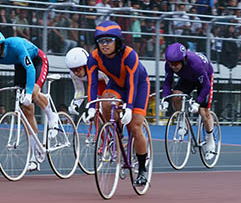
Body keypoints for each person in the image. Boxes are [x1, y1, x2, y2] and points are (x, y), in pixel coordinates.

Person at [0, 28, 56, 172]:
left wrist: (29, 92)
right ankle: (34, 155)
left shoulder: (15, 45)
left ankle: (52, 115)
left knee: (32, 93)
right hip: (20, 65)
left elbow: (31, 70)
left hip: (37, 62)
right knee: (26, 110)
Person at [83, 21, 150, 186]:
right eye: (100, 41)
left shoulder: (129, 54)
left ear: (117, 41)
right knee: (105, 101)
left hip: (138, 86)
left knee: (135, 126)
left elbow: (133, 83)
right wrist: (91, 107)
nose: (104, 45)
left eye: (108, 40)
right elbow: (91, 84)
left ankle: (142, 169)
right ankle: (116, 132)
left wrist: (129, 107)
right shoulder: (94, 57)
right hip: (117, 86)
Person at [162, 43, 216, 156]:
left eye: (176, 63)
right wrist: (165, 99)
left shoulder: (196, 64)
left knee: (203, 111)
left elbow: (206, 86)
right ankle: (183, 122)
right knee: (176, 95)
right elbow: (168, 82)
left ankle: (210, 139)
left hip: (204, 77)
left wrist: (198, 102)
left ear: (184, 59)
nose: (173, 67)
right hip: (188, 78)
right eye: (171, 63)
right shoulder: (169, 65)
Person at [64, 47, 107, 116]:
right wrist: (75, 104)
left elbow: (111, 86)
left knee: (106, 108)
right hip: (95, 86)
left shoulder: (99, 71)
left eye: (78, 69)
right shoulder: (73, 74)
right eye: (72, 70)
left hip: (107, 83)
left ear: (85, 66)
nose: (76, 73)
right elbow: (79, 90)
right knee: (94, 112)